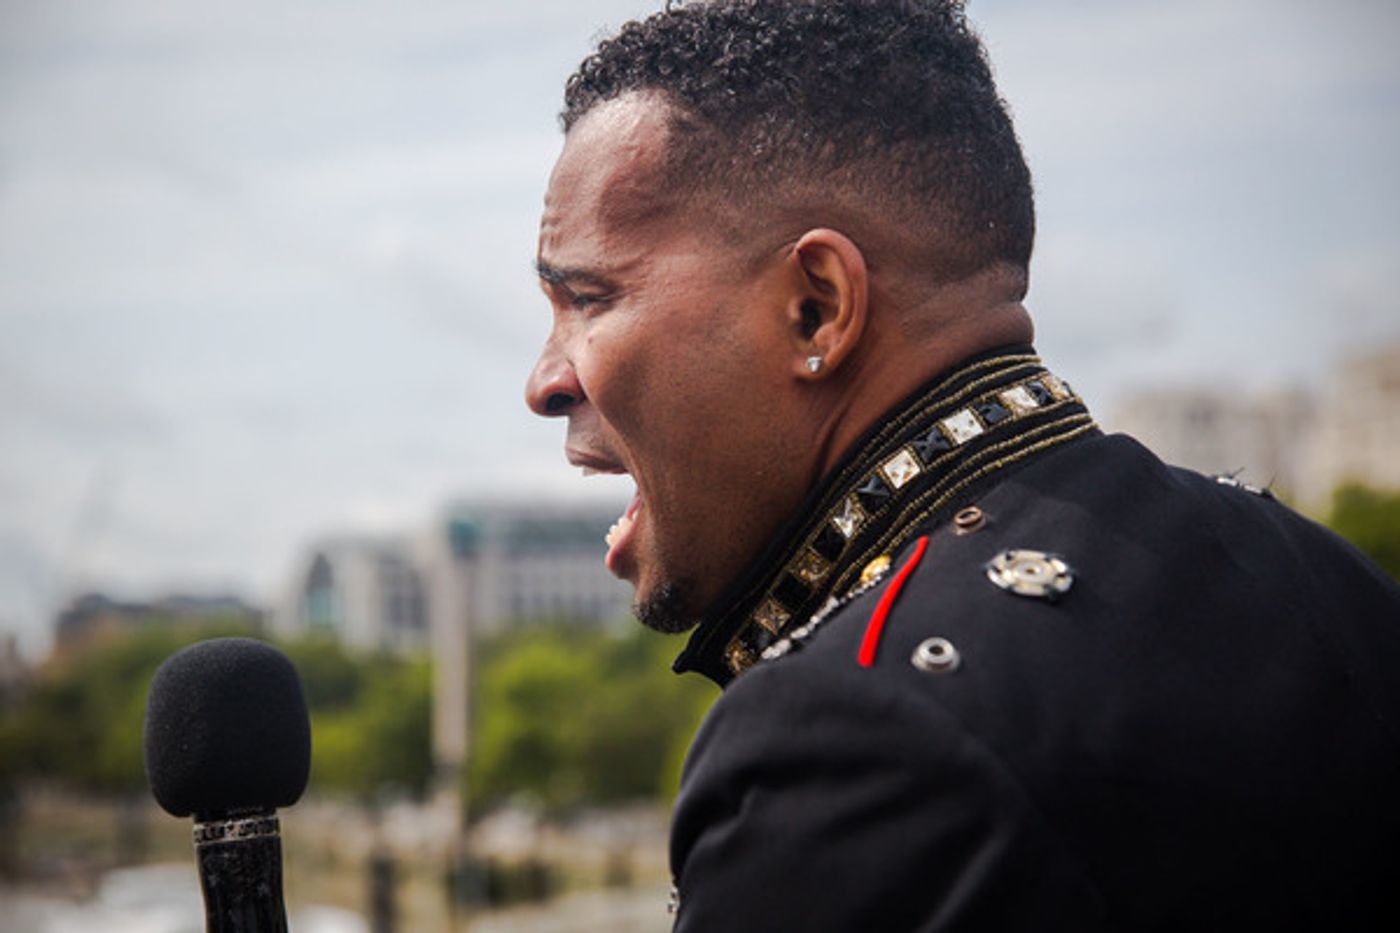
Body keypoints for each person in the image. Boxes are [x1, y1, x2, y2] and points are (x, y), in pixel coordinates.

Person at [524, 1, 1400, 929]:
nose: (545, 381)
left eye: (587, 297)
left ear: (815, 309)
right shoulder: (1330, 581)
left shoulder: (855, 742)